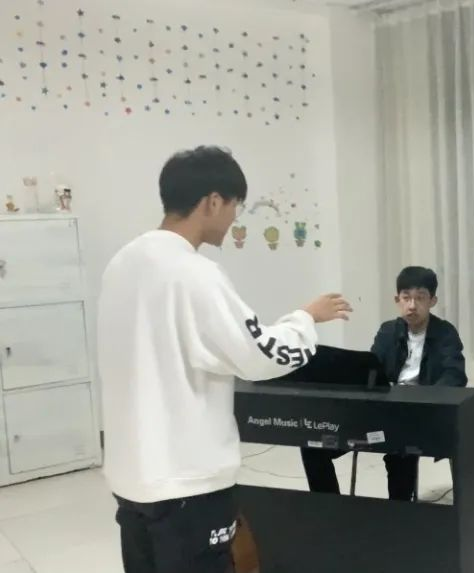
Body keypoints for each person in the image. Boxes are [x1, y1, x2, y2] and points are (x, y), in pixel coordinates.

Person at [97, 146, 352, 573]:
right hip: (187, 482)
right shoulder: (193, 272)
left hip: (132, 476)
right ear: (213, 201)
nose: (234, 217)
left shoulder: (122, 264)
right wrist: (306, 318)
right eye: (235, 206)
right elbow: (259, 355)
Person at [301, 266, 467, 500]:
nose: (412, 305)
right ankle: (330, 509)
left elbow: (455, 375)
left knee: (402, 450)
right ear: (397, 300)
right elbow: (371, 371)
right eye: (406, 298)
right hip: (383, 412)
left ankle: (399, 513)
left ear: (432, 301)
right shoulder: (388, 331)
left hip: (421, 416)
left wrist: (424, 398)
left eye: (420, 298)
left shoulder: (445, 333)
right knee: (313, 447)